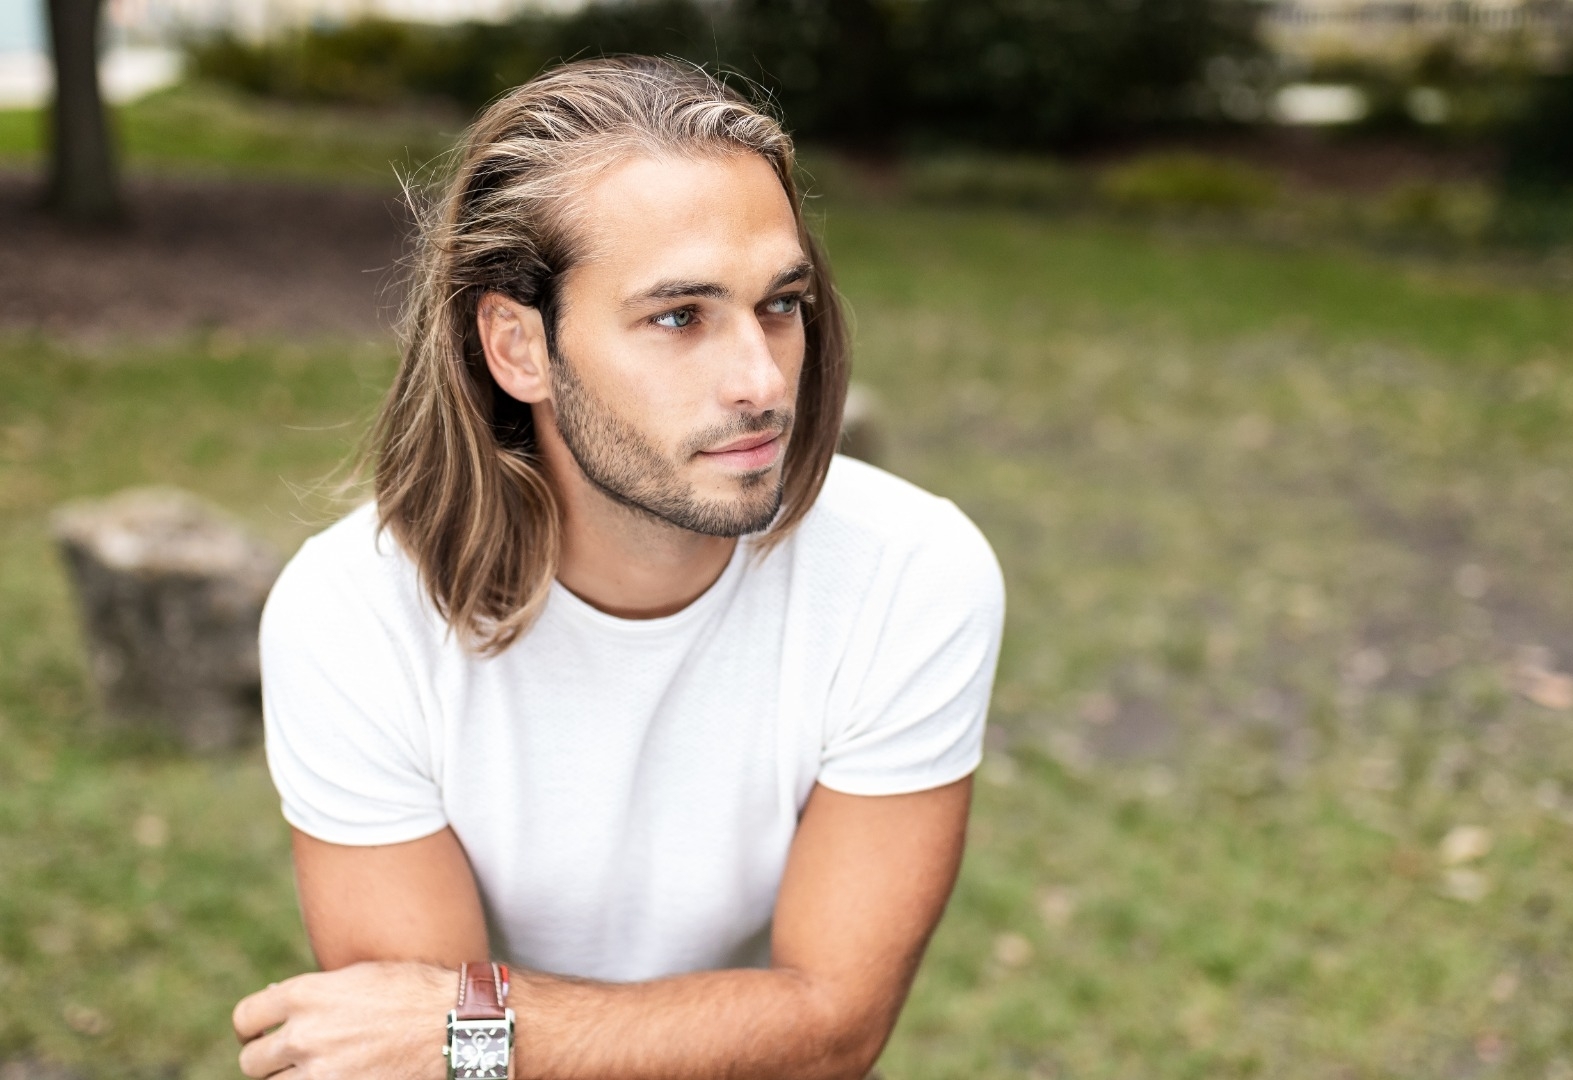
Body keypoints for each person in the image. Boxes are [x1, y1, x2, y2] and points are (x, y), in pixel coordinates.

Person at [231, 56, 1004, 1080]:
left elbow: (831, 1032)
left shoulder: (907, 574)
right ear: (518, 347)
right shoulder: (354, 614)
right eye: (679, 317)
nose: (761, 381)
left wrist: (489, 1031)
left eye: (780, 304)